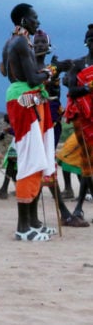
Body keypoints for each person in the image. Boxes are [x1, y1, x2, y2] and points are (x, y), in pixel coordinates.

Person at [2, 3, 57, 241]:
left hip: (24, 97)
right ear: (24, 20)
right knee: (30, 159)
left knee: (36, 157)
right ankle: (23, 227)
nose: (38, 22)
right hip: (26, 98)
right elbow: (34, 78)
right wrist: (54, 70)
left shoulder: (11, 42)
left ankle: (33, 222)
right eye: (35, 18)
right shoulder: (21, 43)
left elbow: (4, 71)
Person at [32, 29, 87, 227]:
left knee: (45, 163)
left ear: (48, 47)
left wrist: (58, 70)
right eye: (35, 42)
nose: (38, 45)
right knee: (41, 164)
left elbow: (46, 85)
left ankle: (60, 212)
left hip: (50, 118)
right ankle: (59, 213)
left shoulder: (48, 68)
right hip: (35, 117)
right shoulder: (33, 67)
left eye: (42, 43)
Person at [64, 23, 93, 220]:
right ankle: (79, 207)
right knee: (87, 164)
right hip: (83, 119)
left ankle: (79, 207)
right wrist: (89, 88)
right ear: (88, 43)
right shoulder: (79, 65)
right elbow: (72, 92)